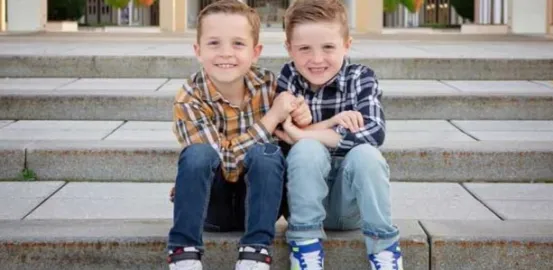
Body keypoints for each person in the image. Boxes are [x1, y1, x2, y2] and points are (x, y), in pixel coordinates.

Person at [166, 1, 311, 270]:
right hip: (211, 206)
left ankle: (256, 251)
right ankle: (183, 251)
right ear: (198, 51)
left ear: (255, 52)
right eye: (213, 43)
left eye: (238, 44)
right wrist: (270, 120)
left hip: (261, 203)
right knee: (198, 153)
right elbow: (227, 164)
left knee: (268, 154)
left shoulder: (269, 85)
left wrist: (300, 114)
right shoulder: (189, 98)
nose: (225, 53)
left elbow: (297, 129)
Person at [274, 0, 404, 269]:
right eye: (304, 49)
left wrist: (302, 133)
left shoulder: (361, 77)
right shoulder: (289, 76)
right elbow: (281, 131)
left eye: (328, 47)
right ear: (289, 49)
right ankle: (305, 248)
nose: (317, 59)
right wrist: (331, 123)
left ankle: (384, 250)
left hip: (349, 204)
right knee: (307, 150)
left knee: (366, 155)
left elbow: (374, 133)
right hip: (303, 202)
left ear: (346, 45)